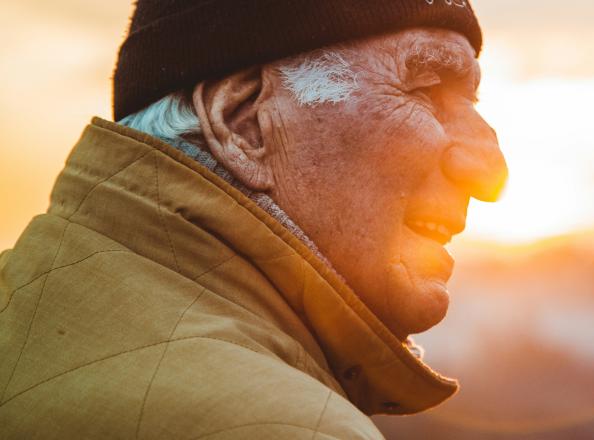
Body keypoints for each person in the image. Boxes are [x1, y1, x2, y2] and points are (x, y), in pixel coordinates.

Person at [0, 1, 506, 438]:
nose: (489, 170)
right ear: (242, 125)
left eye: (473, 102)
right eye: (424, 90)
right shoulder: (289, 429)